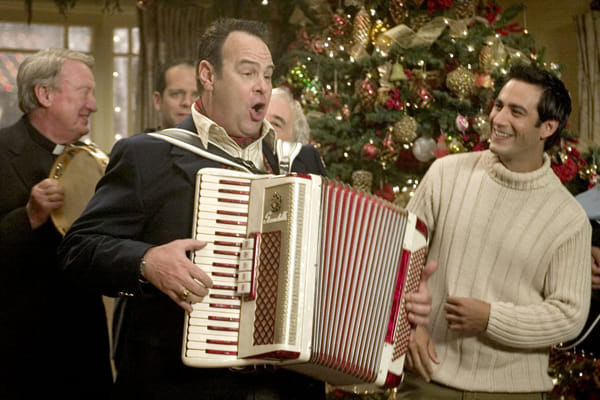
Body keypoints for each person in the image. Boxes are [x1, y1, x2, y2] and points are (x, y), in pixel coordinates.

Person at [58, 18, 434, 399]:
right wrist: (146, 261)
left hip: (286, 389)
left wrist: (399, 296)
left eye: (267, 75)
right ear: (208, 75)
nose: (262, 86)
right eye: (248, 72)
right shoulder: (148, 155)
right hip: (182, 387)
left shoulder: (300, 161)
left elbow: (339, 270)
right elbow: (77, 250)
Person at [398, 63, 592, 400]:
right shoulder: (444, 175)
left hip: (513, 392)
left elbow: (569, 315)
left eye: (516, 112)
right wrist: (410, 327)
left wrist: (491, 318)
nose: (498, 119)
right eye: (498, 105)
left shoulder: (569, 218)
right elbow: (395, 257)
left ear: (547, 127)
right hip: (427, 379)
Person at [0, 48, 112, 398]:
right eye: (84, 92)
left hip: (83, 350)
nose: (93, 105)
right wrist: (29, 217)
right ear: (44, 94)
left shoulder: (94, 161)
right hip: (17, 356)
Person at [151, 59, 198, 131]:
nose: (187, 102)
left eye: (196, 95)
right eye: (176, 94)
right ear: (158, 101)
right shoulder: (141, 139)